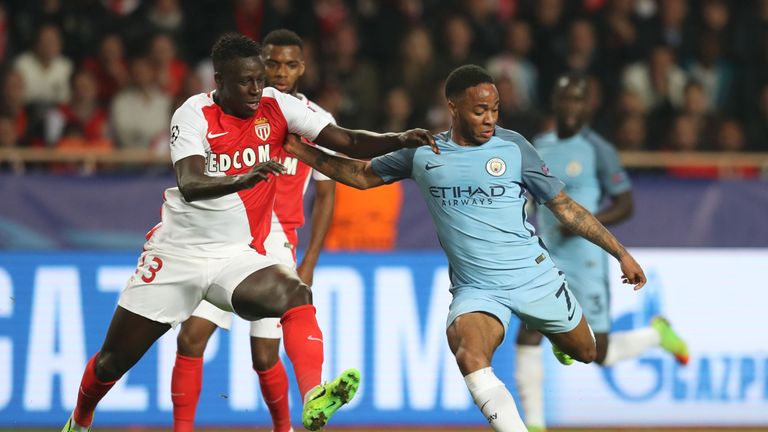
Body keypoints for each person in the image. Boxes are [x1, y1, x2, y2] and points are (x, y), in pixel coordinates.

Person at [61, 33, 434, 432]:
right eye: (246, 81)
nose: (258, 89)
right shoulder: (193, 114)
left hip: (236, 256)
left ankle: (312, 395)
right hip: (178, 254)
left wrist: (396, 139)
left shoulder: (278, 105)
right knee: (111, 362)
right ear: (219, 81)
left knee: (296, 294)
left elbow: (345, 140)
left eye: (260, 79)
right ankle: (80, 419)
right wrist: (244, 178)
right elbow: (190, 182)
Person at [283, 64, 647, 432]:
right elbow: (360, 177)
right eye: (479, 111)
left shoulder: (514, 147)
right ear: (453, 108)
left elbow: (565, 207)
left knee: (586, 352)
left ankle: (558, 336)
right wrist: (300, 150)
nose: (489, 119)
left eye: (495, 109)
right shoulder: (424, 153)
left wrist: (620, 252)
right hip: (478, 289)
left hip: (534, 276)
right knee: (469, 353)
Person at [170, 29, 336, 432]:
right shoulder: (243, 109)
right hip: (228, 237)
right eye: (272, 63)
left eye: (289, 64)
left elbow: (328, 195)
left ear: (302, 68)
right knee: (191, 337)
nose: (280, 72)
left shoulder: (311, 120)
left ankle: (286, 427)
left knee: (263, 356)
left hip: (279, 242)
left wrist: (309, 262)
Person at [514, 74, 690, 432]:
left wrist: (581, 222)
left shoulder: (599, 149)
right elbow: (529, 195)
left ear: (587, 105)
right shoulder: (537, 146)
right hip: (546, 259)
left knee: (600, 353)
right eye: (564, 99)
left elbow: (626, 205)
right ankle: (533, 424)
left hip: (587, 260)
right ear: (555, 103)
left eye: (577, 100)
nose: (569, 107)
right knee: (528, 334)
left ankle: (657, 334)